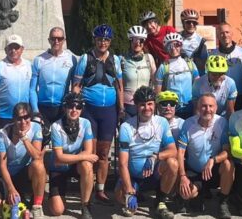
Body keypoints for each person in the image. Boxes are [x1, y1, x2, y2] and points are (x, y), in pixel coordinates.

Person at [71, 24, 124, 203]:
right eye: (100, 39)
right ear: (95, 40)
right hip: (89, 110)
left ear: (110, 42)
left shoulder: (115, 60)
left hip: (109, 111)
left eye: (106, 40)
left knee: (103, 153)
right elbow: (77, 85)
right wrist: (74, 106)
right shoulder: (85, 59)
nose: (103, 43)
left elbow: (119, 86)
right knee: (90, 152)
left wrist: (121, 108)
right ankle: (88, 187)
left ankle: (100, 190)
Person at [116, 86, 179, 219]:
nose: (147, 108)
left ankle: (161, 202)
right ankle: (134, 193)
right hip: (134, 176)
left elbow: (173, 150)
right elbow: (122, 163)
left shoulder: (162, 122)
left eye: (150, 104)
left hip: (154, 173)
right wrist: (128, 192)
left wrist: (155, 157)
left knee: (173, 163)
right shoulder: (126, 127)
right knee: (120, 196)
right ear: (136, 106)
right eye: (142, 105)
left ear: (154, 104)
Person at [0, 102, 47, 219]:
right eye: (19, 118)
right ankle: (10, 201)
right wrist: (11, 189)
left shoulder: (36, 127)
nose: (23, 122)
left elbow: (37, 156)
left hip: (24, 172)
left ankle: (37, 206)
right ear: (14, 119)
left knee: (38, 165)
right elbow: (2, 165)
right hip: (6, 174)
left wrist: (24, 138)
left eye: (26, 117)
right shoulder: (3, 133)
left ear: (30, 117)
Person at [176, 94, 233, 219]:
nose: (207, 109)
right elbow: (180, 153)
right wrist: (182, 176)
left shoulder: (222, 123)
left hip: (214, 171)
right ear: (197, 107)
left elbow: (227, 151)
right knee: (186, 194)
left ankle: (223, 203)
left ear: (216, 107)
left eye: (211, 106)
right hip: (195, 172)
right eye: (204, 106)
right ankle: (200, 192)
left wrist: (213, 160)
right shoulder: (188, 124)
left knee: (228, 164)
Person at [46, 93, 97, 219]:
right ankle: (54, 197)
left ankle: (85, 205)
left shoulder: (86, 123)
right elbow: (59, 158)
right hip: (58, 168)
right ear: (65, 108)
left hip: (75, 165)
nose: (74, 110)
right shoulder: (56, 126)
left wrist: (79, 158)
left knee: (87, 165)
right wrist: (83, 156)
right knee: (57, 211)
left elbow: (89, 150)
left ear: (81, 109)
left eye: (78, 106)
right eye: (71, 106)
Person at [0, 34, 33, 133]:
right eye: (10, 48)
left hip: (24, 116)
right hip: (4, 116)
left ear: (22, 49)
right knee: (4, 147)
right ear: (5, 50)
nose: (13, 51)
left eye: (16, 48)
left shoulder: (29, 66)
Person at [31, 27, 77, 125]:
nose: (56, 41)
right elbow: (32, 89)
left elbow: (75, 85)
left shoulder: (71, 59)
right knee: (42, 140)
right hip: (43, 107)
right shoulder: (39, 60)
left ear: (64, 40)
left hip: (62, 108)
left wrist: (72, 107)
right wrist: (35, 110)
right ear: (49, 40)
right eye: (53, 38)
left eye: (59, 39)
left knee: (61, 140)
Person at [154, 32, 200, 118]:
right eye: (169, 46)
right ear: (166, 48)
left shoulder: (190, 63)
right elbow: (158, 92)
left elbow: (198, 85)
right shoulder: (163, 67)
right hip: (172, 107)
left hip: (190, 105)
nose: (173, 48)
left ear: (181, 45)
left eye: (177, 44)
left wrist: (197, 106)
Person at [209, 23, 242, 112]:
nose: (225, 35)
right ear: (218, 36)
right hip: (222, 97)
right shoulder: (213, 54)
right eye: (221, 33)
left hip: (240, 95)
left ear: (232, 33)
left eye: (227, 32)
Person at [122, 25, 158, 117]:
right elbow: (118, 85)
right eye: (134, 40)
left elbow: (155, 82)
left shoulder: (149, 58)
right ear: (130, 41)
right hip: (128, 106)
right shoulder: (122, 59)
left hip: (145, 105)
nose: (137, 43)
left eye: (141, 40)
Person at [178, 9, 209, 74]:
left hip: (198, 76)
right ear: (183, 23)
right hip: (182, 74)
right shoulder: (177, 38)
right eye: (188, 22)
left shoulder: (201, 40)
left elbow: (206, 62)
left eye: (194, 23)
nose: (191, 25)